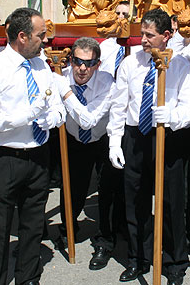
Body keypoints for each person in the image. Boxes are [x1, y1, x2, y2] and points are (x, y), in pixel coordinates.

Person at [0, 8, 65, 285]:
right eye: (40, 36)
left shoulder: (41, 66)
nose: (45, 41)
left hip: (39, 155)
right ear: (22, 36)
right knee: (0, 223)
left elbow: (57, 106)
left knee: (33, 222)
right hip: (7, 157)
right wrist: (29, 113)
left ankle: (28, 275)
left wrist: (51, 117)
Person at [107, 8, 190, 285]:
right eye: (142, 34)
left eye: (150, 35)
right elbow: (118, 105)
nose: (144, 40)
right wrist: (114, 141)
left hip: (168, 138)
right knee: (136, 201)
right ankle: (139, 258)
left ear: (166, 36)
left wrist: (172, 116)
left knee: (172, 203)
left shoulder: (180, 66)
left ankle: (174, 262)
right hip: (136, 137)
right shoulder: (130, 64)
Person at [52, 37, 119, 270]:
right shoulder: (60, 77)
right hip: (73, 139)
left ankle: (105, 240)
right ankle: (68, 227)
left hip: (102, 138)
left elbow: (88, 120)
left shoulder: (107, 83)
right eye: (78, 61)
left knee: (107, 190)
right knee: (71, 186)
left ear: (98, 64)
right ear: (70, 59)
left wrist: (66, 95)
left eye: (89, 64)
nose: (82, 68)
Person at [99, 1, 141, 78]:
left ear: (135, 19)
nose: (120, 17)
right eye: (117, 13)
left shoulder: (140, 47)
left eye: (125, 14)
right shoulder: (105, 45)